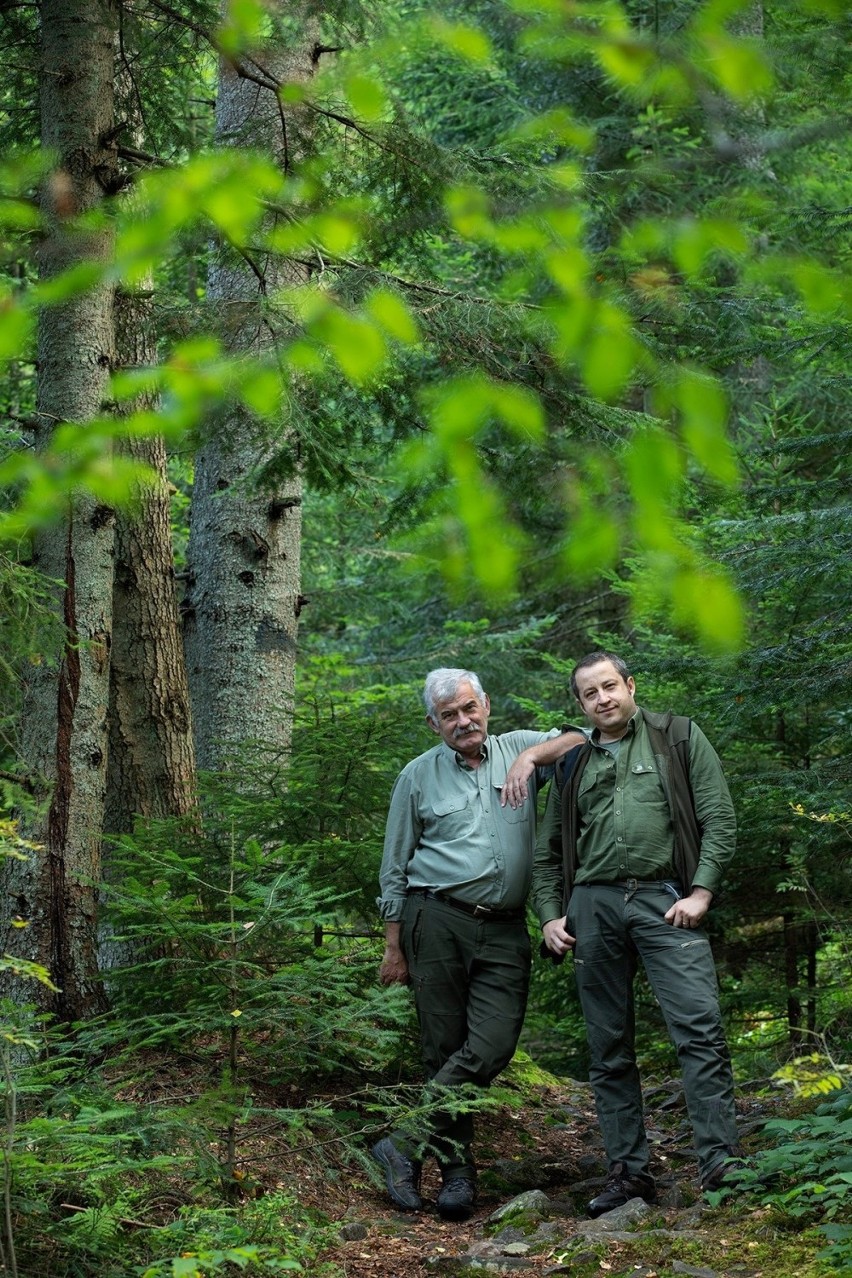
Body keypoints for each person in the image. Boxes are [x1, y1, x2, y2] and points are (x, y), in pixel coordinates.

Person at [532, 651, 742, 1216]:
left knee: (699, 1030)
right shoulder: (573, 762)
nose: (603, 699)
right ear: (579, 704)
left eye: (609, 687)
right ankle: (629, 1173)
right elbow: (548, 851)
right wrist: (550, 916)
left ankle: (720, 1161)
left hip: (665, 900)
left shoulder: (677, 737)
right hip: (592, 909)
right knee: (608, 1048)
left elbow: (718, 816)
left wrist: (701, 892)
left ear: (630, 686)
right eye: (589, 694)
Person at [372, 667, 585, 1220]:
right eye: (449, 715)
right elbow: (394, 866)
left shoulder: (517, 746)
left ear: (485, 705)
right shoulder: (416, 777)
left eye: (469, 708)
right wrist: (394, 947)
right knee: (443, 1049)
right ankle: (457, 1178)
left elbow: (581, 736)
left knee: (492, 1045)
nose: (463, 722)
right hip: (434, 919)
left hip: (506, 927)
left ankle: (401, 1142)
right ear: (433, 723)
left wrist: (530, 759)